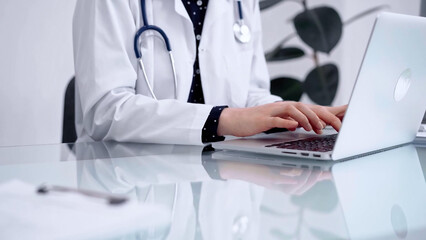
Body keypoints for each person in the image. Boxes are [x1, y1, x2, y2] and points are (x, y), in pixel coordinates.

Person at [73, 0, 347, 145]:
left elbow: (251, 91)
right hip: (127, 179)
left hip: (218, 174)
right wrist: (220, 119)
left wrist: (288, 116)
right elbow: (106, 112)